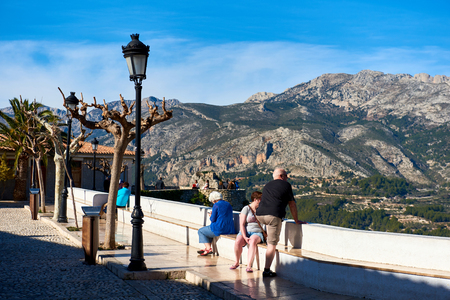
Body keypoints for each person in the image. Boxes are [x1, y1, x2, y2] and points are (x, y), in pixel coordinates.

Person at [256, 167, 306, 277]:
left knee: (270, 236)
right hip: (273, 215)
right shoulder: (286, 185)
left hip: (259, 215)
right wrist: (296, 220)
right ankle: (267, 270)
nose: (287, 178)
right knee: (272, 244)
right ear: (281, 176)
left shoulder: (268, 185)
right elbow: (292, 204)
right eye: (286, 176)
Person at [230, 191, 264, 273]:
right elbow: (241, 224)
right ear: (255, 199)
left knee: (252, 241)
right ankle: (237, 261)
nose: (262, 201)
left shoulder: (263, 209)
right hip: (246, 231)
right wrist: (244, 236)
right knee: (238, 241)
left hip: (257, 232)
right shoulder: (246, 209)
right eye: (260, 199)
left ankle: (249, 265)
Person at [197, 191, 236, 256]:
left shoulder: (216, 205)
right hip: (230, 229)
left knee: (201, 231)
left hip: (219, 228)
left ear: (213, 199)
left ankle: (208, 248)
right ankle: (207, 248)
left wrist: (210, 215)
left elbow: (212, 219)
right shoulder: (228, 204)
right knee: (207, 231)